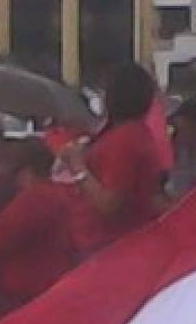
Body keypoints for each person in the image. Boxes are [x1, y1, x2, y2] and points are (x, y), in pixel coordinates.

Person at [61, 64, 165, 258]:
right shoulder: (132, 134)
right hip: (109, 244)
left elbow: (109, 203)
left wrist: (78, 166)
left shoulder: (125, 140)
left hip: (106, 247)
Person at [0, 138, 75, 310]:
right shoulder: (56, 193)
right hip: (55, 283)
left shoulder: (31, 200)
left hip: (27, 294)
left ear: (25, 170)